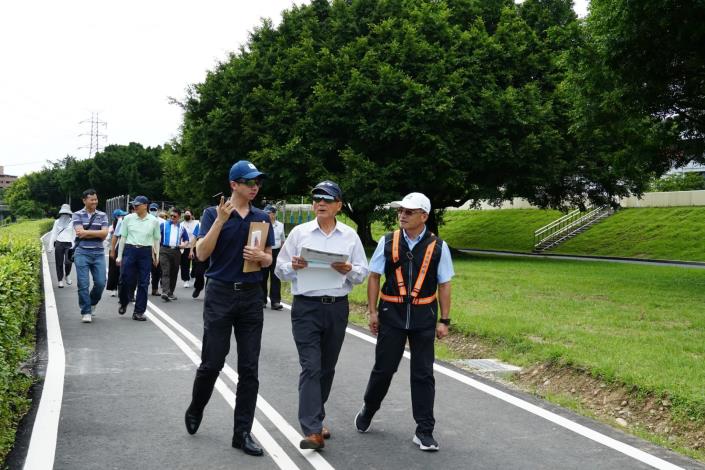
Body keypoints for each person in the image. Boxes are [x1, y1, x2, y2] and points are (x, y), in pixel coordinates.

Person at [184, 160, 274, 457]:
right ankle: (197, 406)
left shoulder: (262, 217)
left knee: (249, 368)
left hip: (250, 296)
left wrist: (261, 256)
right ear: (234, 184)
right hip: (221, 294)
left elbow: (270, 259)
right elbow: (200, 254)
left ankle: (242, 433)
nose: (255, 186)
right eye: (249, 182)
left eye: (257, 182)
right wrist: (221, 221)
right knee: (213, 362)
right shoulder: (213, 214)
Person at [354, 192, 454, 452]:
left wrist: (444, 320)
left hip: (423, 316)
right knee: (384, 370)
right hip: (392, 314)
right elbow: (374, 276)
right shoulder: (388, 241)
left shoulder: (438, 246)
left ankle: (424, 430)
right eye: (401, 211)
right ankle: (369, 408)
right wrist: (373, 312)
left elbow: (444, 283)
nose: (402, 215)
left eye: (409, 211)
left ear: (424, 216)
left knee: (423, 374)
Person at [275, 180, 369, 450]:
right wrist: (293, 266)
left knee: (326, 368)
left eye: (327, 199)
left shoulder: (350, 236)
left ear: (339, 205)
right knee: (311, 367)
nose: (320, 203)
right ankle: (312, 430)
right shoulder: (300, 233)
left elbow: (362, 273)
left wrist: (348, 269)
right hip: (306, 307)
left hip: (337, 308)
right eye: (317, 199)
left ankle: (317, 417)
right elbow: (280, 268)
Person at [116, 196, 161, 321]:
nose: (135, 207)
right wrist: (119, 256)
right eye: (134, 205)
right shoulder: (128, 218)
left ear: (145, 205)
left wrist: (156, 255)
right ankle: (124, 302)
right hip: (130, 250)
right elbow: (123, 238)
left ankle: (139, 312)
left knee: (144, 282)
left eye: (138, 205)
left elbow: (156, 239)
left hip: (145, 252)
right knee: (125, 279)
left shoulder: (153, 221)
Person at [72, 189, 110, 323]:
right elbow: (79, 233)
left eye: (96, 199)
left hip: (99, 253)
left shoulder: (102, 215)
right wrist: (97, 232)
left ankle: (92, 302)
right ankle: (86, 311)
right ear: (84, 200)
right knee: (83, 284)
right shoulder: (76, 214)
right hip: (82, 252)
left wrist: (87, 232)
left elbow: (105, 234)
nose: (95, 202)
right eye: (91, 199)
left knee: (100, 283)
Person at [159, 208, 189, 301]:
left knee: (174, 272)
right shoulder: (163, 225)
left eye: (174, 216)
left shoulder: (182, 228)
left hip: (176, 251)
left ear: (179, 217)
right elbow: (156, 237)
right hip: (164, 250)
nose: (172, 217)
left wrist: (184, 244)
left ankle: (170, 292)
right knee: (165, 271)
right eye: (171, 216)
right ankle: (165, 292)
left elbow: (186, 239)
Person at [260, 204, 285, 310]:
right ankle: (262, 300)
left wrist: (282, 254)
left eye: (269, 213)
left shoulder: (280, 225)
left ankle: (275, 301)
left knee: (275, 277)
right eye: (265, 213)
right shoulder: (262, 224)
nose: (267, 215)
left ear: (274, 214)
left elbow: (283, 240)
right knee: (263, 276)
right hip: (265, 251)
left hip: (276, 252)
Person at [47, 203, 76, 288]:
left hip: (69, 244)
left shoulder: (72, 222)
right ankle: (60, 280)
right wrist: (50, 246)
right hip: (59, 243)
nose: (65, 215)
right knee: (59, 262)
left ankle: (67, 275)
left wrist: (74, 246)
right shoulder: (57, 222)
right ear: (61, 213)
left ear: (69, 213)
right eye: (63, 213)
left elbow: (74, 234)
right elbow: (53, 234)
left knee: (68, 262)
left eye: (66, 213)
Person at [106, 209, 127, 297]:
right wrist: (112, 250)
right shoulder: (112, 227)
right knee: (113, 270)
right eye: (121, 216)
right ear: (116, 217)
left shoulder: (124, 223)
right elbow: (108, 239)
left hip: (123, 248)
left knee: (123, 270)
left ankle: (122, 288)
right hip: (114, 249)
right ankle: (113, 288)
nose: (122, 217)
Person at [180, 209, 198, 288]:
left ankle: (193, 275)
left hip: (195, 246)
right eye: (185, 213)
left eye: (188, 213)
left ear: (192, 215)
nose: (186, 215)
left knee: (196, 263)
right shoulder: (181, 224)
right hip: (185, 246)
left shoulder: (197, 223)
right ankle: (186, 280)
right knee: (185, 264)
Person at [189, 219, 207, 299]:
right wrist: (191, 250)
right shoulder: (199, 225)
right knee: (198, 272)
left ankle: (209, 292)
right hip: (201, 251)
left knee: (212, 275)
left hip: (214, 252)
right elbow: (195, 237)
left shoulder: (218, 222)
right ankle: (198, 287)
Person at [149, 203, 163, 296]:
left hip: (157, 246)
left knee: (156, 270)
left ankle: (155, 289)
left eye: (154, 209)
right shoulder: (146, 219)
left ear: (158, 210)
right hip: (146, 246)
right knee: (144, 269)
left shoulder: (162, 222)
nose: (153, 211)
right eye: (151, 209)